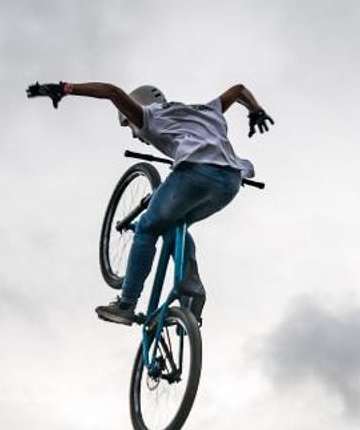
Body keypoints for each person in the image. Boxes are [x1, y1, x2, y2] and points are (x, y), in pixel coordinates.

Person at [25, 78, 273, 325]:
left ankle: (126, 304)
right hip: (229, 182)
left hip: (196, 172)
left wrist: (65, 89)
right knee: (176, 225)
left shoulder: (148, 117)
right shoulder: (206, 109)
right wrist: (255, 110)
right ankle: (191, 296)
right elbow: (239, 90)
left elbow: (112, 91)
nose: (134, 135)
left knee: (146, 228)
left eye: (128, 125)